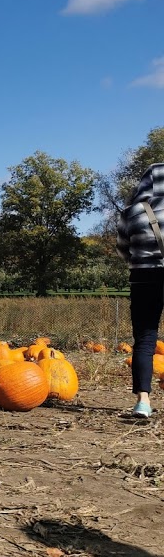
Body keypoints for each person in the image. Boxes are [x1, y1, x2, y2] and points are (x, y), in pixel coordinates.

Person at [116, 162, 164, 418]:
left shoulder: (133, 211)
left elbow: (123, 248)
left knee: (145, 340)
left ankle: (143, 402)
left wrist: (140, 261)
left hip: (143, 277)